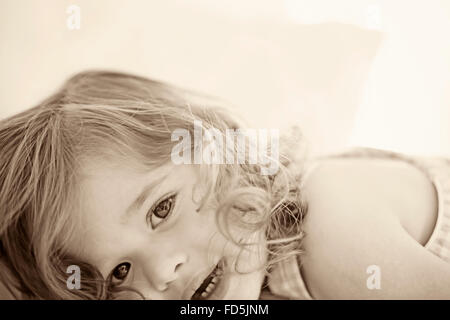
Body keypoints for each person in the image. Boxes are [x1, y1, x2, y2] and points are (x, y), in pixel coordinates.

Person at [0, 71, 449, 300]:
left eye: (161, 209)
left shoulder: (327, 224)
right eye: (120, 272)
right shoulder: (250, 286)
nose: (162, 273)